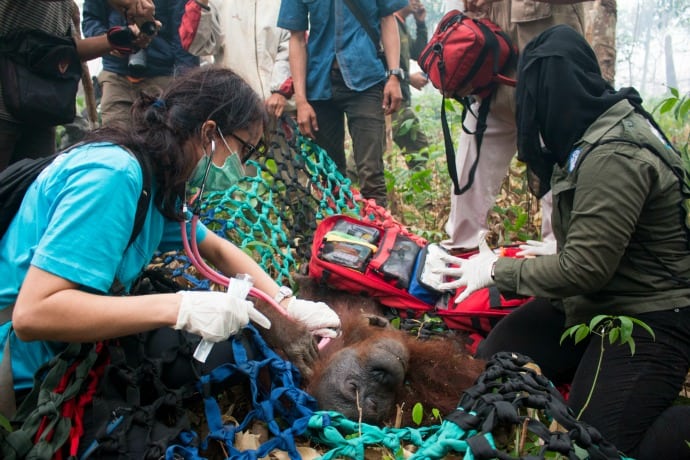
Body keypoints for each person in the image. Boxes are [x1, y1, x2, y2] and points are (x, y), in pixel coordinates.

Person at [0, 66, 341, 418]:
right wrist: (180, 308)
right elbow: (33, 314)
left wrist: (285, 302)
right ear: (209, 132)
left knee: (231, 348)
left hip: (71, 348)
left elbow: (216, 248)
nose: (241, 166)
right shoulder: (115, 176)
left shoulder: (156, 182)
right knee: (225, 357)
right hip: (25, 370)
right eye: (243, 150)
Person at [436, 25, 690, 459]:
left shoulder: (614, 154)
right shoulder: (590, 129)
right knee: (497, 362)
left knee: (595, 444)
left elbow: (585, 268)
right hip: (592, 298)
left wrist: (497, 270)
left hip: (648, 312)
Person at [440, 0, 588, 253]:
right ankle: (460, 256)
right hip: (490, 88)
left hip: (551, 86)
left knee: (560, 185)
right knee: (467, 182)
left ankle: (559, 264)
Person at [278, 0, 407, 207]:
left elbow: (387, 19)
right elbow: (297, 38)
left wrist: (394, 76)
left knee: (371, 174)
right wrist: (301, 101)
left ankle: (377, 232)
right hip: (320, 84)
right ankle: (341, 233)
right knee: (331, 176)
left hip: (366, 80)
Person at [0, 0, 155, 170]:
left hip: (38, 115)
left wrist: (122, 38)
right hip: (5, 113)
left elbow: (66, 51)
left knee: (32, 188)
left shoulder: (64, 6)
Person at [82, 0, 199, 129]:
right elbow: (91, 18)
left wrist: (186, 88)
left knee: (161, 139)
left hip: (162, 77)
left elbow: (184, 35)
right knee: (114, 137)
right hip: (116, 76)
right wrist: (108, 41)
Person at [178, 0, 294, 121]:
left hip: (275, 108)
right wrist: (201, 4)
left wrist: (280, 91)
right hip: (231, 104)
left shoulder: (283, 3)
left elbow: (292, 48)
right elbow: (196, 45)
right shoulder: (216, 3)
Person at [392, 0, 430, 171]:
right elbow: (382, 64)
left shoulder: (402, 26)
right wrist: (409, 78)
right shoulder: (389, 25)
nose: (417, 1)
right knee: (418, 147)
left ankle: (419, 189)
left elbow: (420, 53)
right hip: (387, 99)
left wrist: (420, 23)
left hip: (401, 99)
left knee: (418, 148)